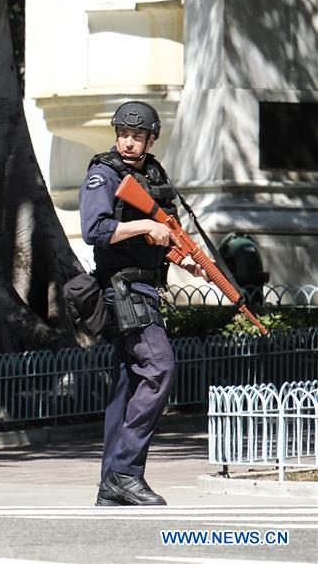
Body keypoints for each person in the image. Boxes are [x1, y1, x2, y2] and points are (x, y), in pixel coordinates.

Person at [79, 101, 206, 506]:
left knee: (128, 384)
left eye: (138, 136)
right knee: (158, 367)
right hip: (122, 290)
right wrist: (146, 226)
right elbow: (94, 229)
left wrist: (185, 256)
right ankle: (125, 473)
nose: (129, 142)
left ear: (152, 139)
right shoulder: (102, 174)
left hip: (146, 287)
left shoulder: (153, 174)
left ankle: (110, 485)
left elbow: (162, 233)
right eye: (123, 135)